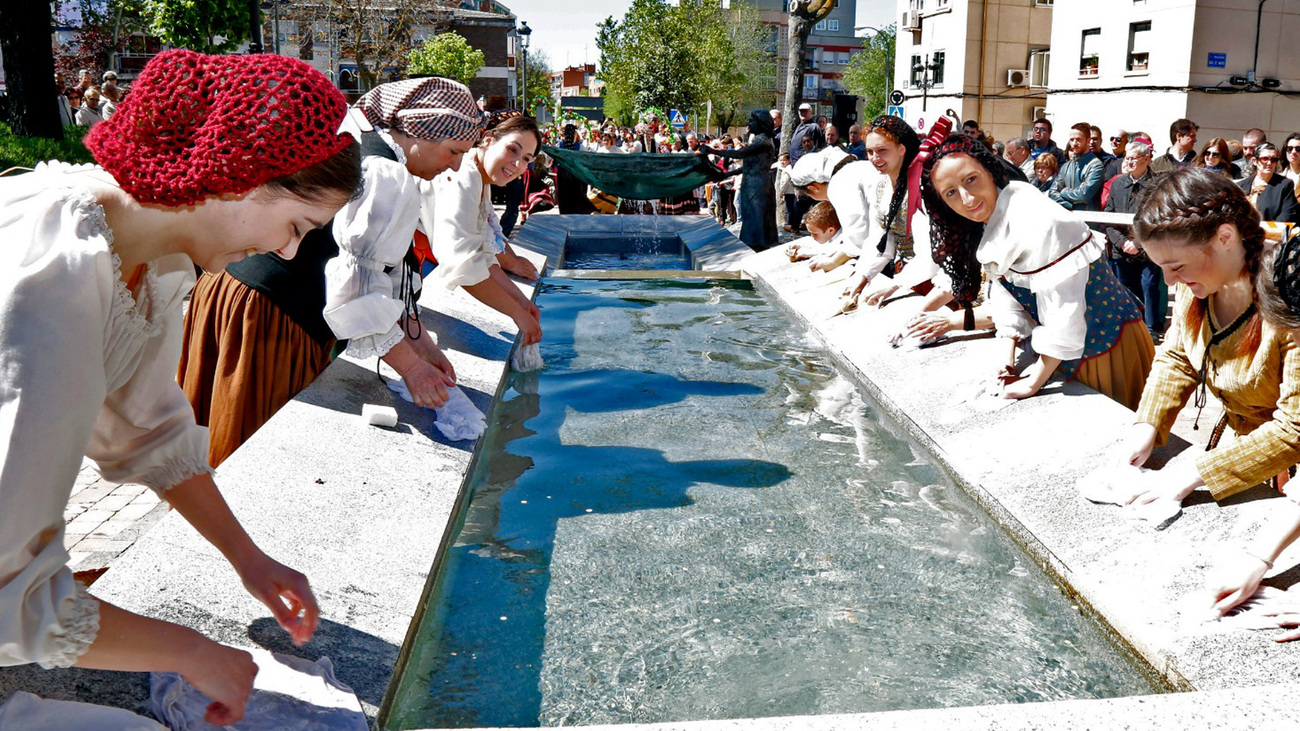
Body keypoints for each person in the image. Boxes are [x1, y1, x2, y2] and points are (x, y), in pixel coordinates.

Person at [0, 49, 356, 724]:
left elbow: (149, 430)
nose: (286, 253)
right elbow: (9, 595)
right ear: (240, 178)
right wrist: (192, 652)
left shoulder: (146, 251)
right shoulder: (54, 273)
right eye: (297, 227)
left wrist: (249, 559)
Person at [180, 76, 481, 466]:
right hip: (274, 311)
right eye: (453, 151)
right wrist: (413, 370)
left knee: (205, 425)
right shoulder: (389, 176)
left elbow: (378, 273)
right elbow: (357, 293)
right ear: (419, 134)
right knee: (246, 445)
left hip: (233, 289)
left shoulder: (362, 147)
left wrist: (423, 346)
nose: (455, 166)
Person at [1118, 170, 1300, 575]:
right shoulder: (1194, 281)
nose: (1169, 281)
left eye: (1176, 266)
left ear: (1224, 237)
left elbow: (1295, 427)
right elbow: (1177, 355)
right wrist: (1146, 426)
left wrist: (1196, 470)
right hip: (1239, 450)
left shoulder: (1291, 299)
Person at [922, 134, 1155, 407]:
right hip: (1065, 351)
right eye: (951, 192)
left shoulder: (1036, 216)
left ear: (990, 170)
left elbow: (1064, 315)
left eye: (971, 179)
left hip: (1107, 346)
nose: (967, 197)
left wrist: (1032, 383)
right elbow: (1009, 297)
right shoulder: (990, 220)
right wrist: (1005, 361)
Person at [422, 114, 543, 344]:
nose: (517, 164)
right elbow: (464, 265)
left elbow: (484, 256)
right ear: (488, 139)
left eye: (526, 158)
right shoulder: (464, 175)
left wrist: (522, 302)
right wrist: (517, 313)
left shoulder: (479, 176)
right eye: (513, 150)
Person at [1103, 140, 1165, 339]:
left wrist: (1137, 244)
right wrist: (1122, 243)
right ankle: (1129, 328)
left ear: (1146, 159)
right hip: (1122, 249)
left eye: (1133, 158)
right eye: (1126, 158)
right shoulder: (1118, 184)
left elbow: (1159, 218)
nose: (1128, 162)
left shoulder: (1157, 186)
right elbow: (1108, 218)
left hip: (1148, 247)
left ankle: (1151, 329)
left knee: (1149, 286)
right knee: (1124, 287)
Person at [790, 146, 877, 274]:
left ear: (813, 188)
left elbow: (858, 236)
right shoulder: (857, 168)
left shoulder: (839, 184)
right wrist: (816, 251)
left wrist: (833, 262)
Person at [703, 110, 777, 250]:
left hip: (757, 186)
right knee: (753, 218)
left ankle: (757, 246)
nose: (748, 123)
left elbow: (740, 153)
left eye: (751, 120)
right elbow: (749, 166)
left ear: (760, 123)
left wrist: (713, 151)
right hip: (754, 184)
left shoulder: (762, 141)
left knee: (756, 218)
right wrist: (727, 174)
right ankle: (755, 244)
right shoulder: (760, 140)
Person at [1238, 142, 1299, 224]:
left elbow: (1287, 215)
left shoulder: (1284, 185)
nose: (1269, 163)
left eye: (1273, 160)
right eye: (1265, 159)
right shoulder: (1241, 185)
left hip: (1270, 234)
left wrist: (1266, 229)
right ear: (1255, 161)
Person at [1048, 122, 1104, 211]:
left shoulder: (1095, 166)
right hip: (1068, 219)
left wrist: (1064, 191)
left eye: (1078, 139)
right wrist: (1072, 205)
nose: (1074, 143)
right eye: (1072, 139)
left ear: (1088, 140)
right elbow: (1052, 193)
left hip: (1088, 221)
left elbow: (1083, 195)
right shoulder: (1066, 167)